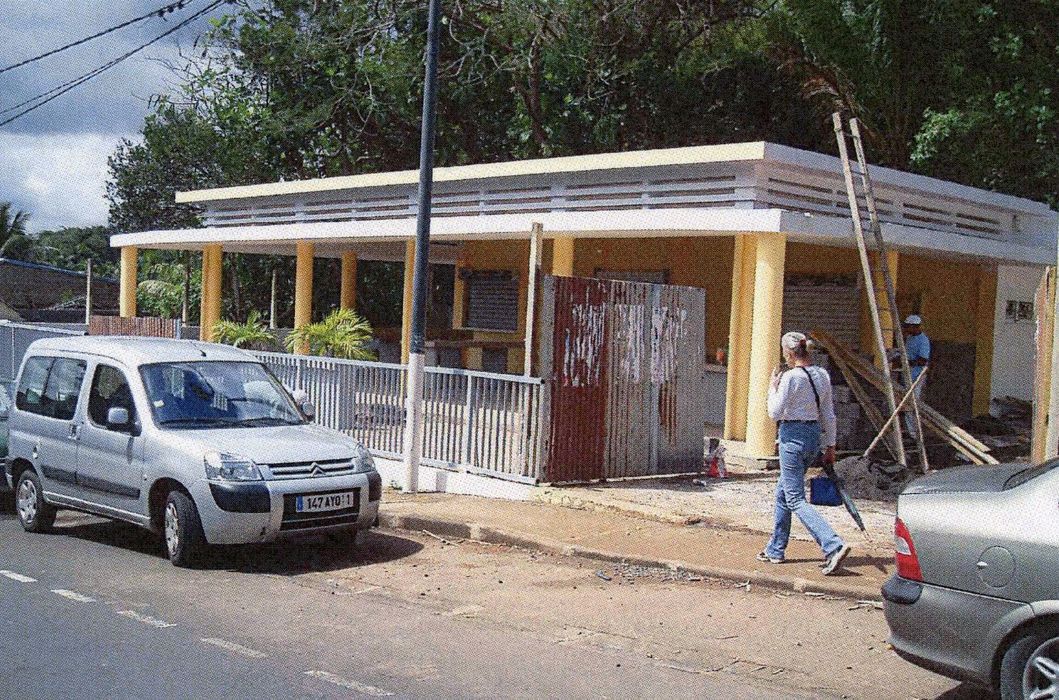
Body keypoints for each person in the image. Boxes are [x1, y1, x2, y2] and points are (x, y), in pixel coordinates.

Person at [758, 331, 852, 576]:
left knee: (795, 498)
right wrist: (830, 446)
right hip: (813, 437)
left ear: (789, 353)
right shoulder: (822, 375)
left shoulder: (791, 378)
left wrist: (772, 387)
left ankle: (833, 545)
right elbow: (829, 414)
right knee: (783, 492)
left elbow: (774, 413)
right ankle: (775, 549)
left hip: (792, 437)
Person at [900, 315, 930, 439]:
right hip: (907, 375)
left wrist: (907, 362)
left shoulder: (923, 340)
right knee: (906, 404)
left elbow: (923, 360)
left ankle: (914, 433)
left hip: (917, 376)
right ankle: (909, 432)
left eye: (908, 327)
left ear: (915, 326)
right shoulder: (909, 338)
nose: (906, 329)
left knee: (913, 404)